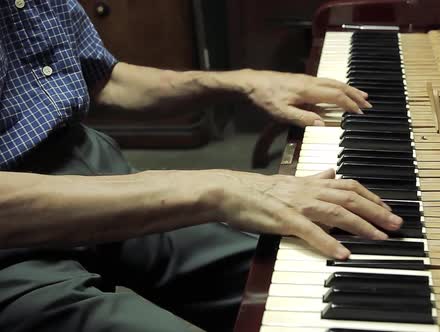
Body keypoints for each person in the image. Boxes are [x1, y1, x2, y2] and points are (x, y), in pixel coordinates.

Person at [0, 1, 403, 331]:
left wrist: (240, 82)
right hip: (10, 231)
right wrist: (213, 190)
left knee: (313, 272)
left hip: (86, 163)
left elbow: (100, 80)